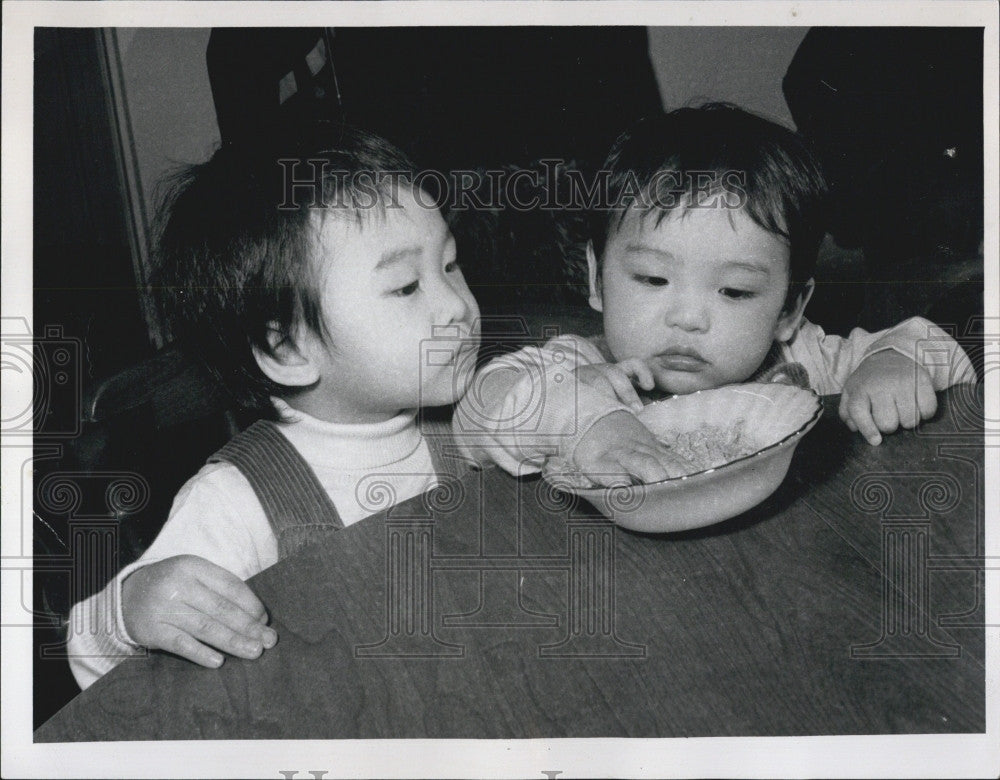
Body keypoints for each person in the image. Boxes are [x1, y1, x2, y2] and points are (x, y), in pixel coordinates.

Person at [67, 127, 481, 689]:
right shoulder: (238, 501)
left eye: (451, 264)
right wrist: (129, 611)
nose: (458, 305)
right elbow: (91, 659)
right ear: (287, 349)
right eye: (407, 286)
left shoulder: (478, 415)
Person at [453, 104, 977, 485]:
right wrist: (582, 420)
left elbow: (940, 353)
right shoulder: (581, 368)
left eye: (734, 290)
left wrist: (893, 362)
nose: (687, 318)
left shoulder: (803, 362)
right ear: (595, 280)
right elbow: (476, 410)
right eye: (653, 280)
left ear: (790, 309)